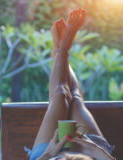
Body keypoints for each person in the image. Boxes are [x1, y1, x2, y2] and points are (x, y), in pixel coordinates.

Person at [24, 9, 115, 160]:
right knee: (75, 99)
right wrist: (93, 148)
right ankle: (60, 51)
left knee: (60, 95)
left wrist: (50, 153)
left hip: (47, 154)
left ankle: (62, 50)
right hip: (91, 152)